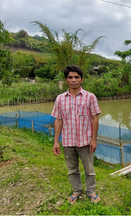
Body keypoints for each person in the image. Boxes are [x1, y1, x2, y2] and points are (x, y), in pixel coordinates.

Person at [51, 65, 101, 204]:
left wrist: (94, 139)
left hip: (86, 141)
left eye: (76, 77)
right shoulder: (60, 99)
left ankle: (90, 191)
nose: (73, 80)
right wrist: (56, 141)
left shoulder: (90, 97)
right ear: (66, 80)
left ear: (81, 80)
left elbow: (95, 118)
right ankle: (76, 191)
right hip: (68, 141)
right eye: (70, 77)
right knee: (72, 169)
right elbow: (58, 120)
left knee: (89, 169)